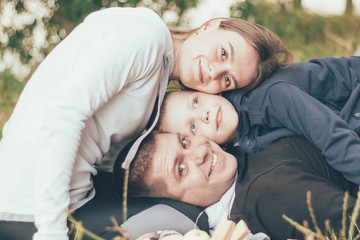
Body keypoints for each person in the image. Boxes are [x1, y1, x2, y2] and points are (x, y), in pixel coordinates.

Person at [0, 6, 291, 239]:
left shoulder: (159, 77)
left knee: (186, 210)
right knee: (184, 218)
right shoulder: (146, 36)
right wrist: (50, 232)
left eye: (227, 79)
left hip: (71, 200)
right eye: (223, 53)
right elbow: (62, 113)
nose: (214, 71)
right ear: (210, 25)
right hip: (33, 209)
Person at [158, 54, 360, 221]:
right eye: (191, 128)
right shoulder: (240, 140)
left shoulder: (267, 99)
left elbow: (329, 133)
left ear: (207, 92)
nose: (203, 114)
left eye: (195, 101)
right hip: (359, 110)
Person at [114, 131, 360, 239]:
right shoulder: (268, 195)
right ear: (180, 200)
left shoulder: (240, 148)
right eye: (181, 168)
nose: (199, 152)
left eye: (185, 140)